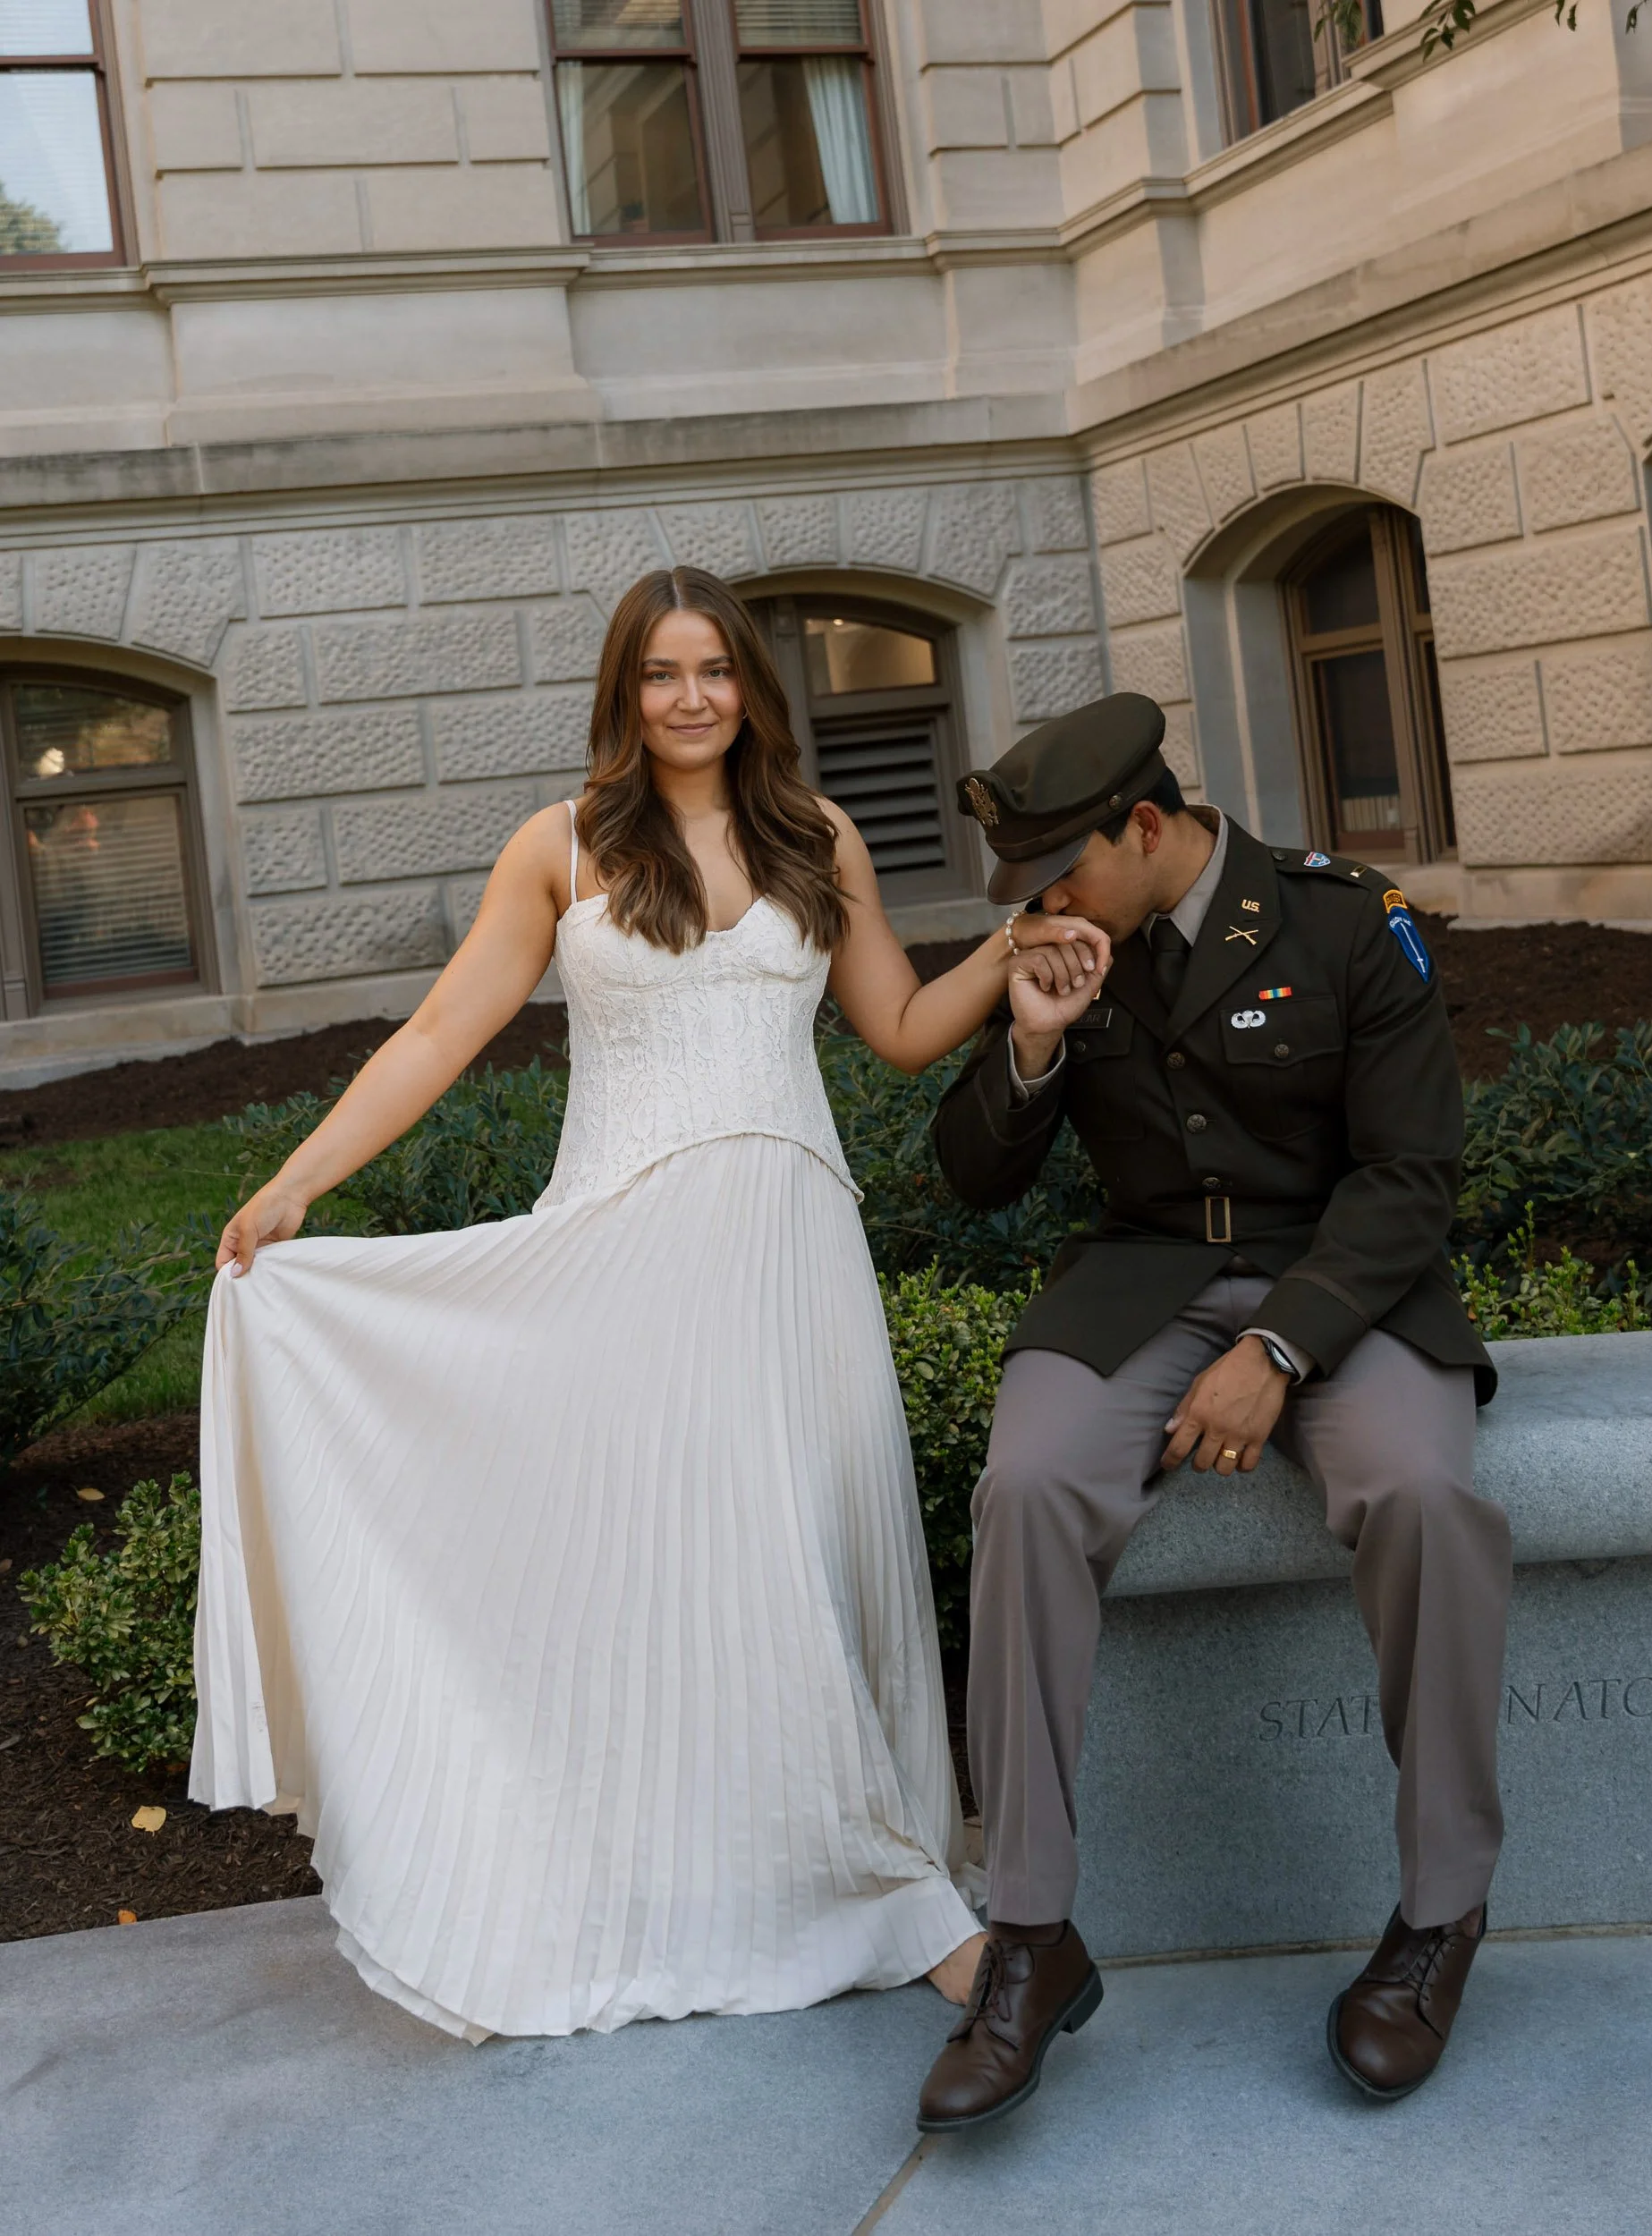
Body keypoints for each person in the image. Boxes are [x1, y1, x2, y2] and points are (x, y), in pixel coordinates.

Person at [191, 566, 1114, 2043]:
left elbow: (893, 1030)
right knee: (683, 1569)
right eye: (661, 674)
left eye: (717, 672)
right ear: (624, 690)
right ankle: (799, 1902)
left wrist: (1017, 960)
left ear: (754, 685)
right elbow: (442, 1028)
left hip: (794, 1251)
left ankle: (883, 1887)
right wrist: (302, 1179)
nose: (691, 699)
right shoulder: (561, 847)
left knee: (802, 1560)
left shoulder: (818, 836)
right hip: (627, 1253)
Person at [916, 692, 1512, 2130]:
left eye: (1061, 872)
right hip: (1144, 1283)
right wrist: (1035, 1039)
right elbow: (971, 1178)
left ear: (1144, 826)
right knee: (1028, 1490)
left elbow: (1410, 1178)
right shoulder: (1070, 951)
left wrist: (1286, 1351)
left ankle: (1439, 1916)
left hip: (1340, 1288)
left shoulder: (1346, 920)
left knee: (1424, 1497)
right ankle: (1033, 1938)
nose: (1042, 907)